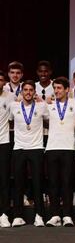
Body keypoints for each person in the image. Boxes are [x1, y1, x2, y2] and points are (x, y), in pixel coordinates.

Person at [10, 80, 48, 227]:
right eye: (25, 90)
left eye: (31, 90)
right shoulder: (14, 106)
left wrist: (41, 99)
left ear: (34, 92)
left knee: (38, 183)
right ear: (21, 92)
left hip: (36, 148)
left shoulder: (41, 106)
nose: (28, 92)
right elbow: (10, 121)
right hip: (19, 148)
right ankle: (18, 216)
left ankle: (39, 215)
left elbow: (48, 121)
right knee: (19, 183)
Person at [44, 77, 75, 227]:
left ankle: (68, 215)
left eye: (59, 88)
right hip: (51, 148)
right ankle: (55, 215)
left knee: (67, 183)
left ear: (67, 90)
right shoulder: (48, 105)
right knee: (53, 183)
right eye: (55, 88)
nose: (56, 91)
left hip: (69, 148)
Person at [0, 71, 14, 228]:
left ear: (4, 82)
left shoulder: (10, 97)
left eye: (1, 80)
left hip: (3, 142)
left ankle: (4, 213)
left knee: (4, 179)